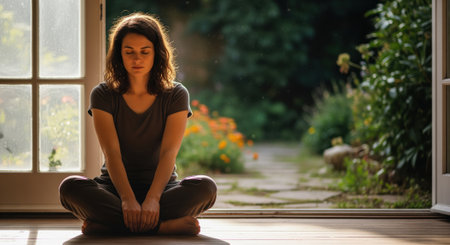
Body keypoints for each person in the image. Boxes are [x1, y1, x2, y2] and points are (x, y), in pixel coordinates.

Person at [58, 12, 217, 236]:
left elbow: (168, 152)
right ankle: (164, 227)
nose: (137, 59)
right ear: (119, 55)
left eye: (145, 52)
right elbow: (111, 152)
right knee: (69, 188)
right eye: (129, 52)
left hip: (163, 191)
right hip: (113, 189)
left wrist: (152, 199)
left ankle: (110, 226)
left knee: (206, 188)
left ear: (157, 54)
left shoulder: (176, 94)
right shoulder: (103, 94)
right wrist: (127, 199)